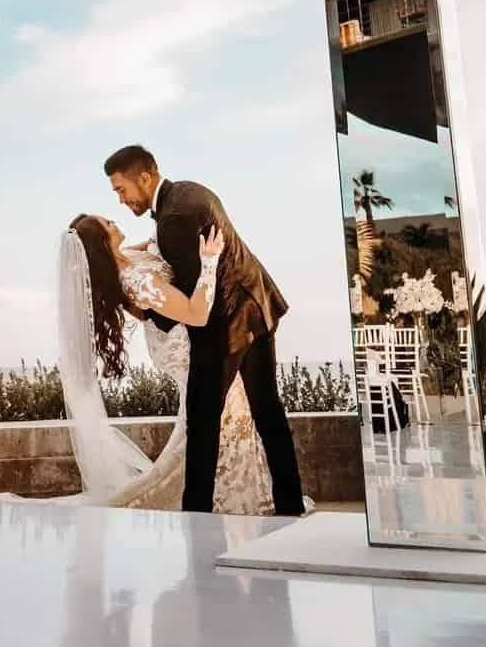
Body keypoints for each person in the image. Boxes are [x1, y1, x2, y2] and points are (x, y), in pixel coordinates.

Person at [104, 144, 305, 516]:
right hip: (256, 306)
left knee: (201, 424)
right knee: (268, 411)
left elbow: (193, 296)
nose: (120, 199)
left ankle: (196, 518)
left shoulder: (174, 218)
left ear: (144, 177)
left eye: (121, 189)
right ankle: (290, 505)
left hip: (224, 326)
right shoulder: (187, 192)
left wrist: (150, 312)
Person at [56, 212, 273, 514]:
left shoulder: (127, 254)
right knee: (226, 415)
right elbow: (196, 313)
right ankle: (228, 499)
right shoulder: (135, 281)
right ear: (102, 244)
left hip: (174, 341)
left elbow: (155, 244)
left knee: (214, 418)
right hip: (181, 348)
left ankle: (238, 492)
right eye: (107, 223)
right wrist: (209, 261)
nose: (112, 219)